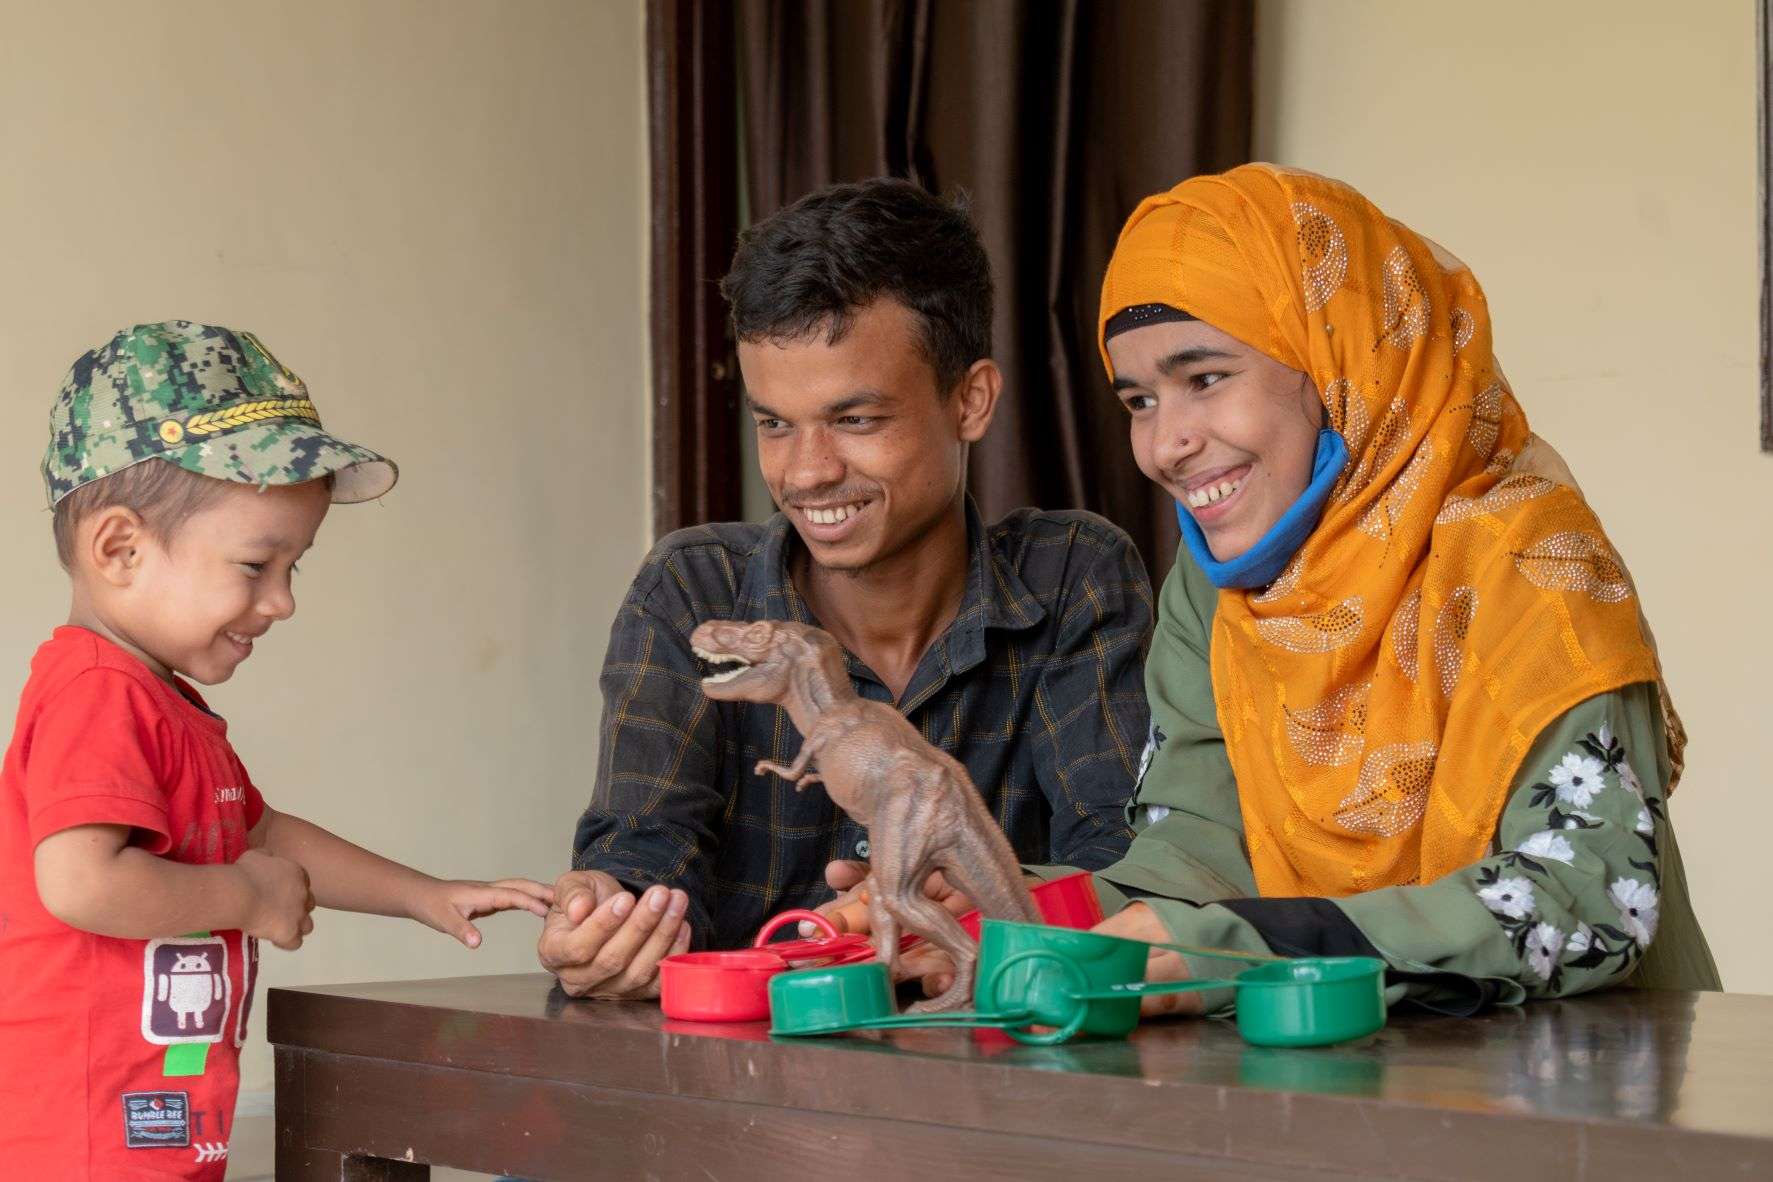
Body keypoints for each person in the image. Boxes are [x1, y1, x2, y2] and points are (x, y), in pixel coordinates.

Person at [1077, 164, 1721, 1014]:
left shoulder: (1531, 559)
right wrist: (996, 912)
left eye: (1204, 379)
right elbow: (1195, 857)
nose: (1165, 445)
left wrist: (1248, 949)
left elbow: (1584, 898)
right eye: (1139, 401)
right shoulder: (1214, 592)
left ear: (1335, 358)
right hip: (1335, 1083)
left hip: (1590, 1099)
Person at [538, 178, 1152, 1000]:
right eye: (774, 424)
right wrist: (609, 919)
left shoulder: (1074, 573)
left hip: (1001, 1079)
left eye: (856, 421)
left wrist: (979, 910)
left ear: (970, 400)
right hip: (742, 1091)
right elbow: (643, 853)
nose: (806, 472)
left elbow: (1121, 866)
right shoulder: (693, 587)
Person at [0, 322, 554, 1179]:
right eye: (257, 565)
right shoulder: (96, 693)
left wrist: (421, 896)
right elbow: (79, 882)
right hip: (86, 1133)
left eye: (296, 567)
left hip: (153, 1116)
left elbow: (262, 835)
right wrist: (244, 897)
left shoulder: (159, 703)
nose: (282, 601)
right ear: (119, 548)